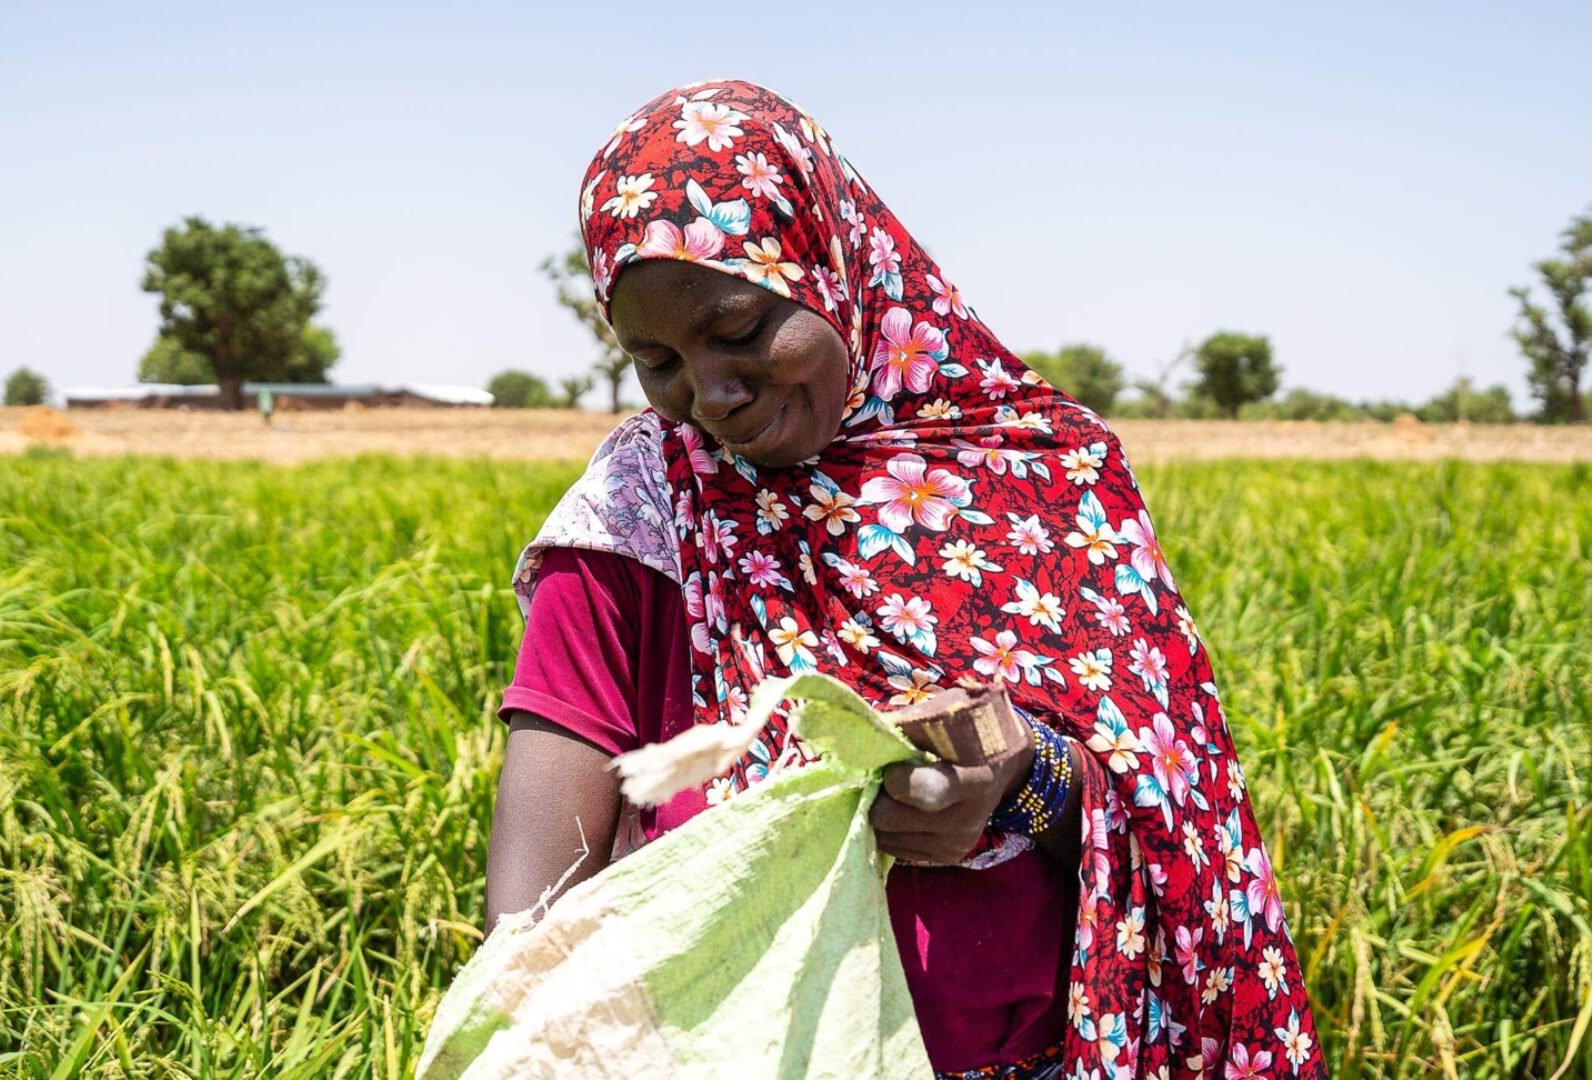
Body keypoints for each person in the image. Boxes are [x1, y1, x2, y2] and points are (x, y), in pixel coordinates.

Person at [486, 80, 1320, 1078]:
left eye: (742, 328)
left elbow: (1179, 819)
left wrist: (1030, 778)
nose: (709, 393)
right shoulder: (638, 517)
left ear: (833, 262)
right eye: (658, 359)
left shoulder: (1044, 478)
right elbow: (528, 924)